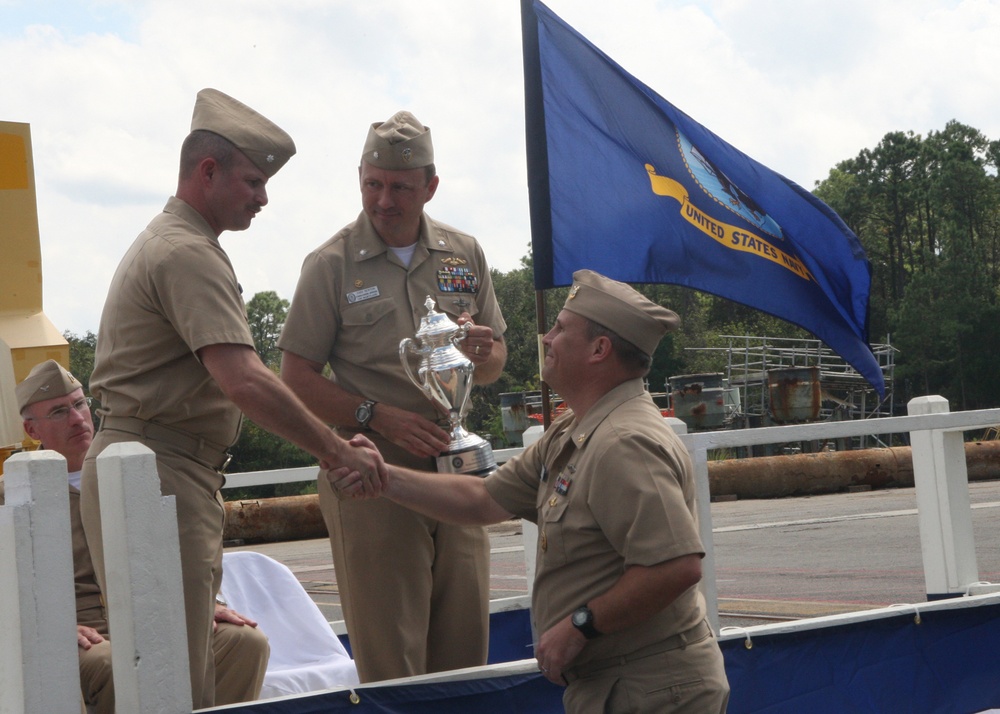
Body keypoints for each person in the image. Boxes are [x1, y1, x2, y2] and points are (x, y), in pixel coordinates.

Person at [80, 88, 386, 708]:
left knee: (170, 670)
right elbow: (243, 379)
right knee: (175, 683)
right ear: (207, 171)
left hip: (153, 467)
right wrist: (334, 450)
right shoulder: (188, 252)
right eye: (252, 181)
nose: (263, 197)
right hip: (162, 472)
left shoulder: (169, 241)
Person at [335, 270, 731, 713]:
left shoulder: (624, 442)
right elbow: (483, 500)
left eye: (561, 329)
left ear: (600, 350)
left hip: (653, 690)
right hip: (622, 685)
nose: (546, 338)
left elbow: (675, 567)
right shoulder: (576, 428)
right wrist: (381, 475)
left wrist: (580, 625)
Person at [278, 110, 507, 682]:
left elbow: (497, 359)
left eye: (400, 187)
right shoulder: (329, 265)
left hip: (458, 473)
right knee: (393, 662)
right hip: (373, 476)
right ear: (359, 177)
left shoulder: (464, 253)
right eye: (372, 184)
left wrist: (482, 352)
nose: (383, 200)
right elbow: (295, 375)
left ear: (430, 186)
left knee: (463, 657)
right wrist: (376, 416)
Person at [5, 360, 269, 712]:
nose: (77, 419)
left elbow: (179, 554)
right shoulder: (12, 498)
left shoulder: (139, 476)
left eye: (80, 404)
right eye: (58, 412)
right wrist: (48, 628)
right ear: (30, 428)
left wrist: (206, 607)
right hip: (77, 635)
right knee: (120, 666)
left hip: (148, 617)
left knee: (244, 643)